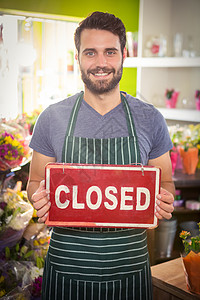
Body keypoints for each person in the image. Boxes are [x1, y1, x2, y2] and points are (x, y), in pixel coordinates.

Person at [27, 11, 175, 300]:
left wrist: (164, 200)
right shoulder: (52, 118)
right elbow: (35, 181)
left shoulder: (150, 119)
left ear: (123, 56)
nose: (101, 63)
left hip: (129, 270)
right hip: (66, 269)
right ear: (78, 58)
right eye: (90, 53)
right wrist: (39, 196)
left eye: (110, 52)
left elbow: (166, 183)